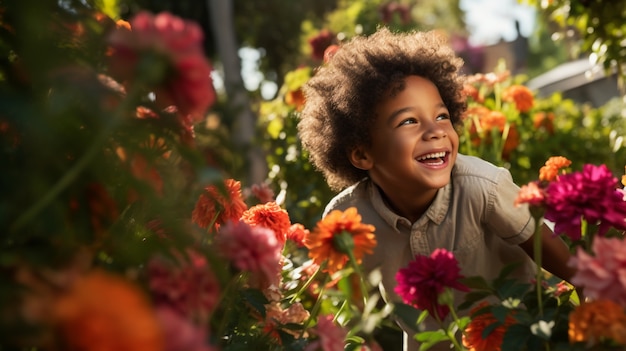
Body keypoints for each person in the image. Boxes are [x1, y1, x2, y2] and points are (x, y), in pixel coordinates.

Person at [297, 27, 578, 351]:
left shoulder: (482, 187)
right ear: (362, 154)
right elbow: (351, 306)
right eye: (408, 121)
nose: (436, 131)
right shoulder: (348, 218)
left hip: (514, 336)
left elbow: (556, 255)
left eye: (442, 116)